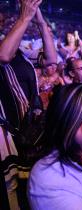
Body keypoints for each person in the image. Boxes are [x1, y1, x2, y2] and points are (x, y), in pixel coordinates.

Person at [0, 1, 57, 209]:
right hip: (8, 135)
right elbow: (3, 56)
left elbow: (51, 59)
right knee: (12, 192)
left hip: (32, 129)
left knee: (33, 185)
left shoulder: (20, 51)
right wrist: (24, 17)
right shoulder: (5, 50)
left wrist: (40, 22)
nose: (2, 23)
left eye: (2, 21)